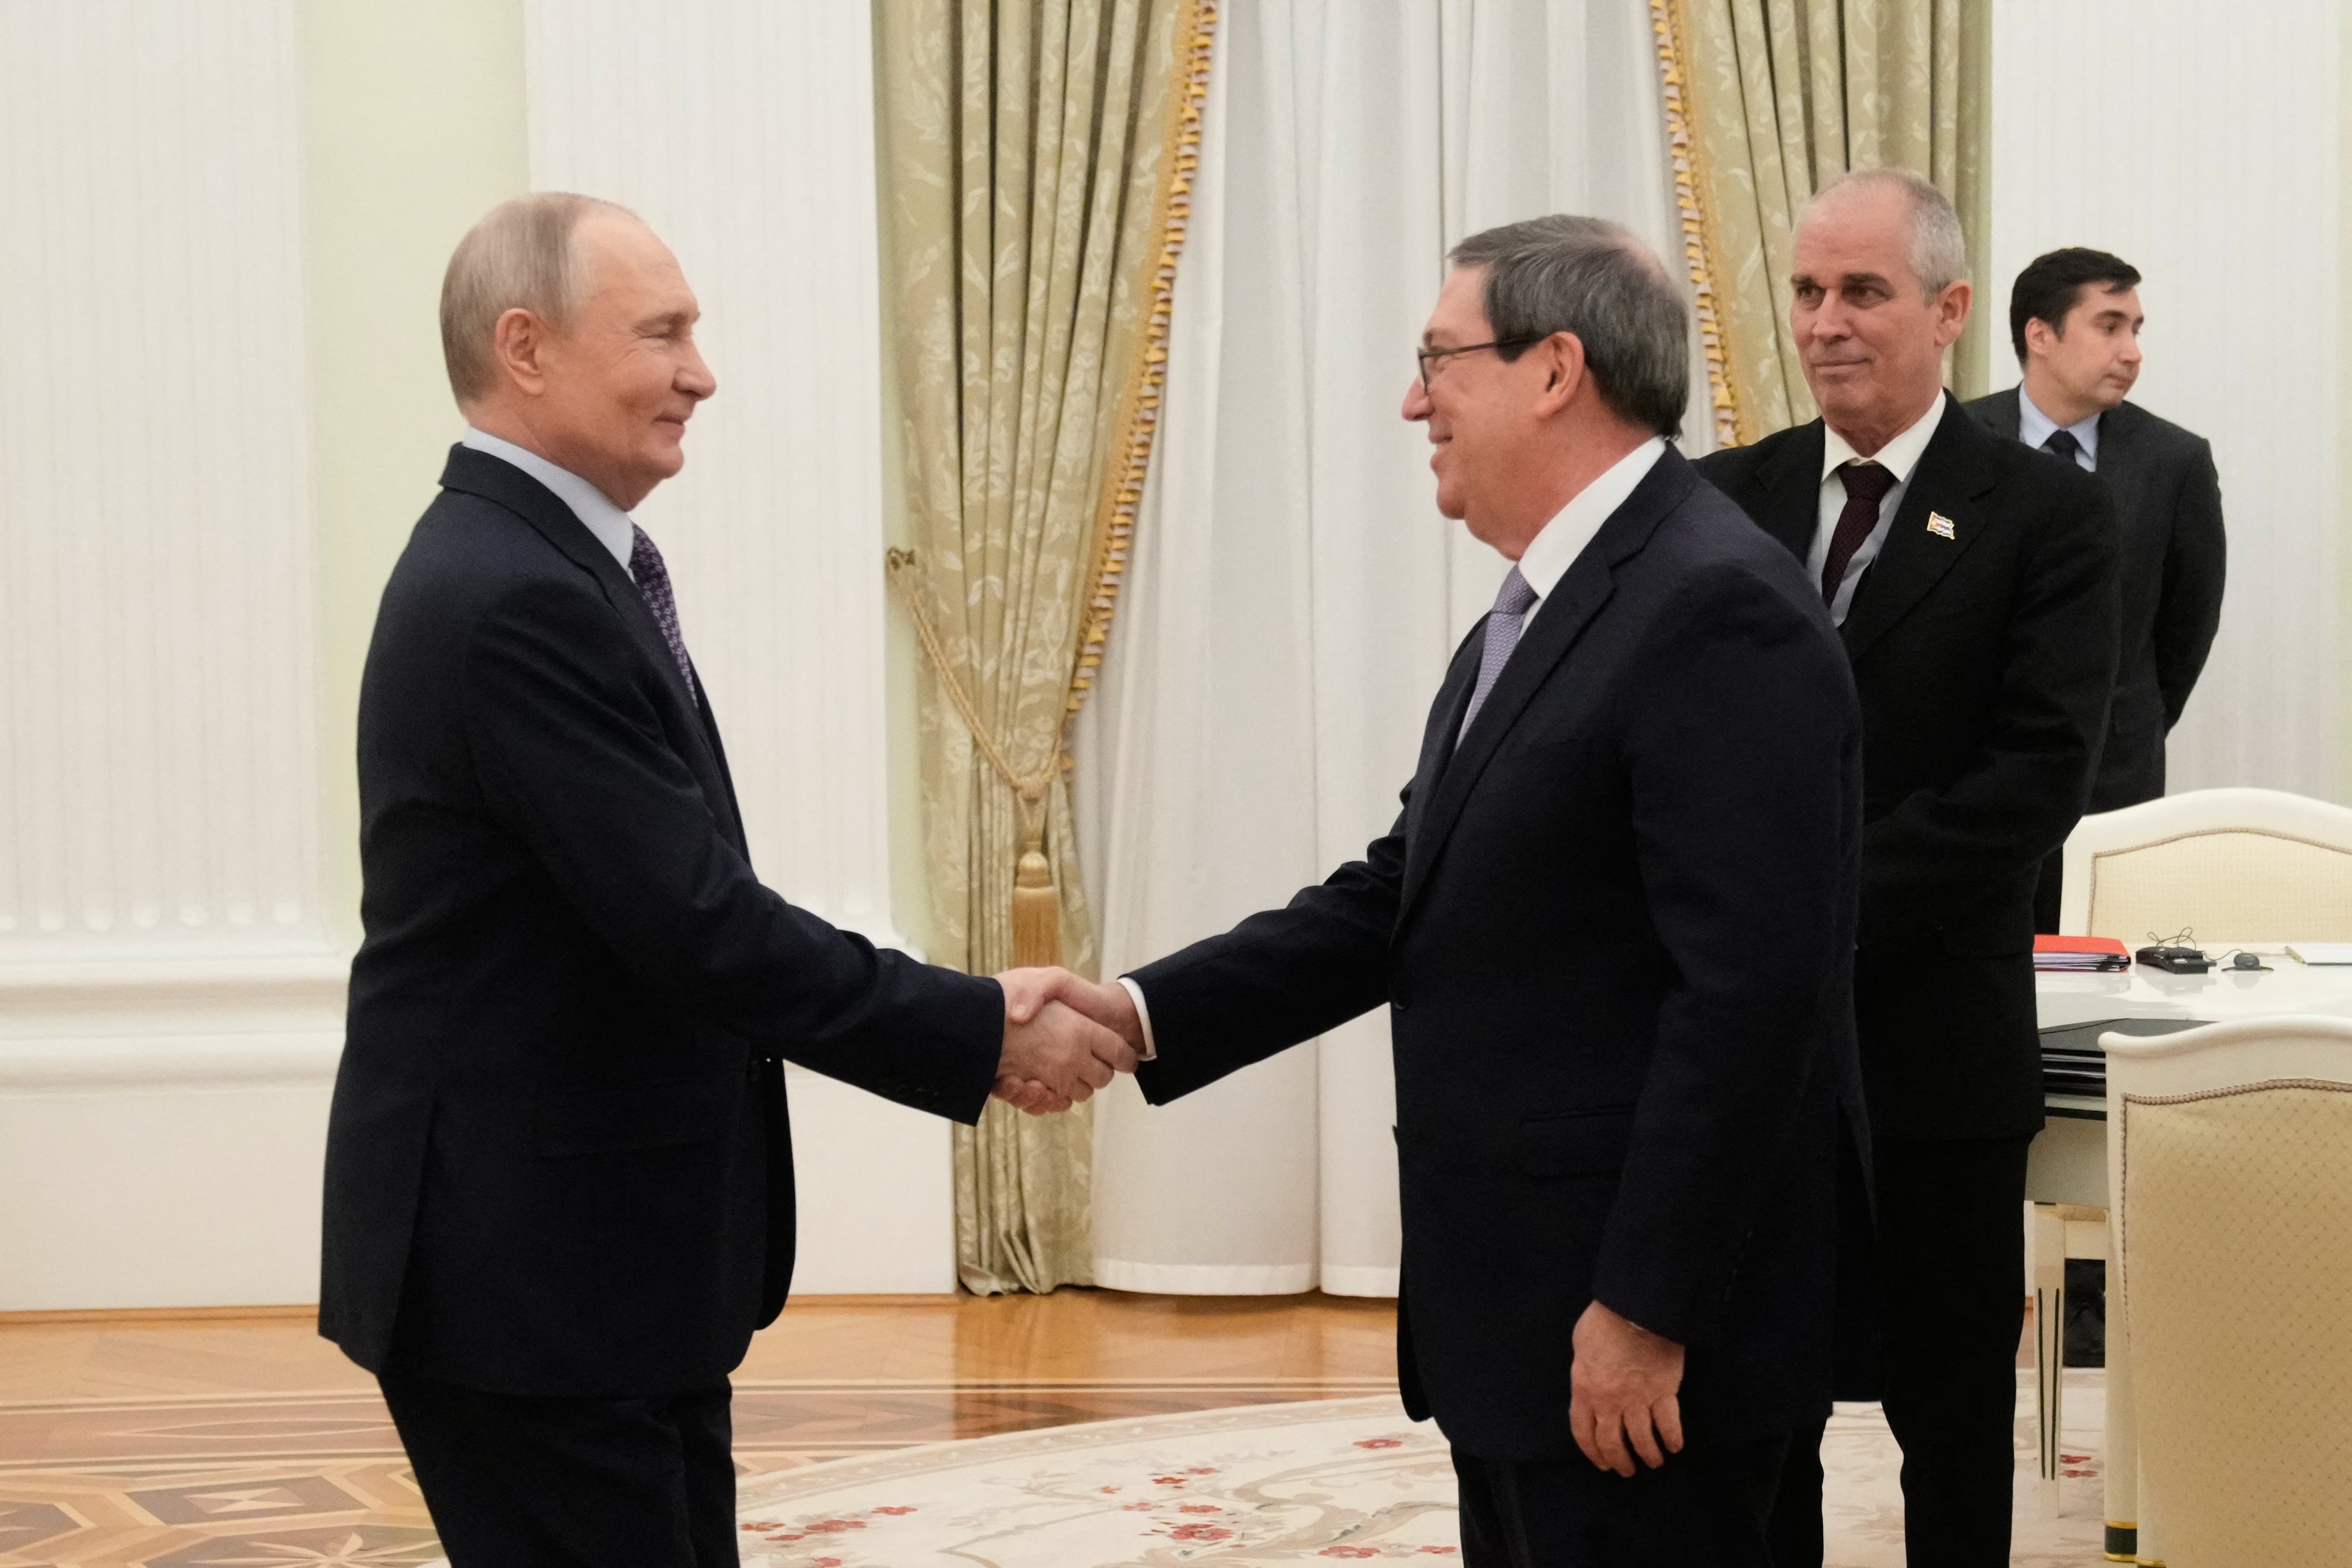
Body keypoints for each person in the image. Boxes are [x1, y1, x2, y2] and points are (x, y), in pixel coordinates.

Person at [1017, 215, 1865, 1566]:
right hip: (1527, 1317)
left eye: (1436, 358)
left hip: (1638, 1340)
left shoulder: (1713, 607)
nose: (1414, 398)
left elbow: (1753, 1000)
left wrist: (1646, 1309)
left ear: (1552, 370)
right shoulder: (1547, 608)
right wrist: (1133, 1013)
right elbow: (1402, 894)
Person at [319, 192, 1133, 1568]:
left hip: (595, 1270)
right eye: (664, 333)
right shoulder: (514, 592)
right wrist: (978, 1024)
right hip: (535, 1285)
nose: (702, 370)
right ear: (526, 348)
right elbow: (697, 925)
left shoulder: (551, 564)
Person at [1694, 170, 2119, 1568]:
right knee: (1756, 1414)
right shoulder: (1720, 500)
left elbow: (2029, 783)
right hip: (1752, 1054)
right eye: (1807, 290)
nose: (1823, 322)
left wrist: (1807, 910)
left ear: (1945, 312)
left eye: (1860, 292)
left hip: (1932, 1050)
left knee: (1945, 1420)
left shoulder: (2045, 516)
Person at [1966, 248, 2227, 932]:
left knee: (2100, 984)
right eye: (2110, 326)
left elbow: (2183, 632)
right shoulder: (1956, 441)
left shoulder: (2175, 462)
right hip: (1964, 778)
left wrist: (2126, 721)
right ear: (2040, 335)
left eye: (2136, 329)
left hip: (2114, 784)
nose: (2131, 351)